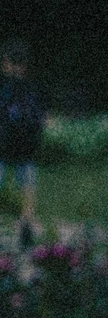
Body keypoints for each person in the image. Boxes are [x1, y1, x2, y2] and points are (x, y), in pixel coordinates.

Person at [0, 38, 43, 235]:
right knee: (27, 179)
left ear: (10, 62)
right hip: (27, 143)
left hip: (5, 141)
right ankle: (27, 216)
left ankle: (25, 217)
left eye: (5, 61)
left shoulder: (7, 86)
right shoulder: (31, 86)